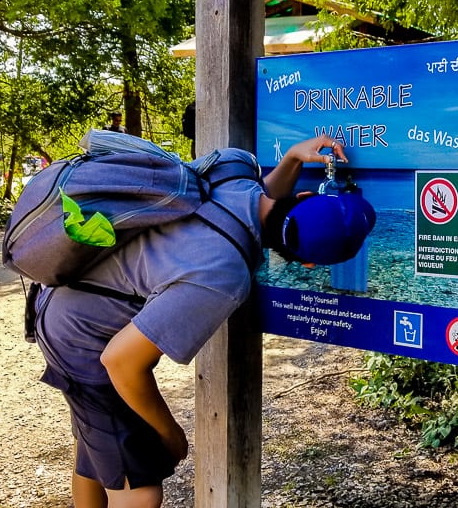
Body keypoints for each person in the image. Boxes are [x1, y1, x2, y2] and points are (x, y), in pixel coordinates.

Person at [31, 134, 375, 508]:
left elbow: (262, 203)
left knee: (101, 449)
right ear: (308, 262)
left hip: (60, 299)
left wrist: (292, 157)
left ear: (305, 198)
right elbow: (121, 361)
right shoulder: (222, 276)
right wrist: (169, 432)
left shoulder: (234, 170)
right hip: (81, 341)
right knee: (139, 491)